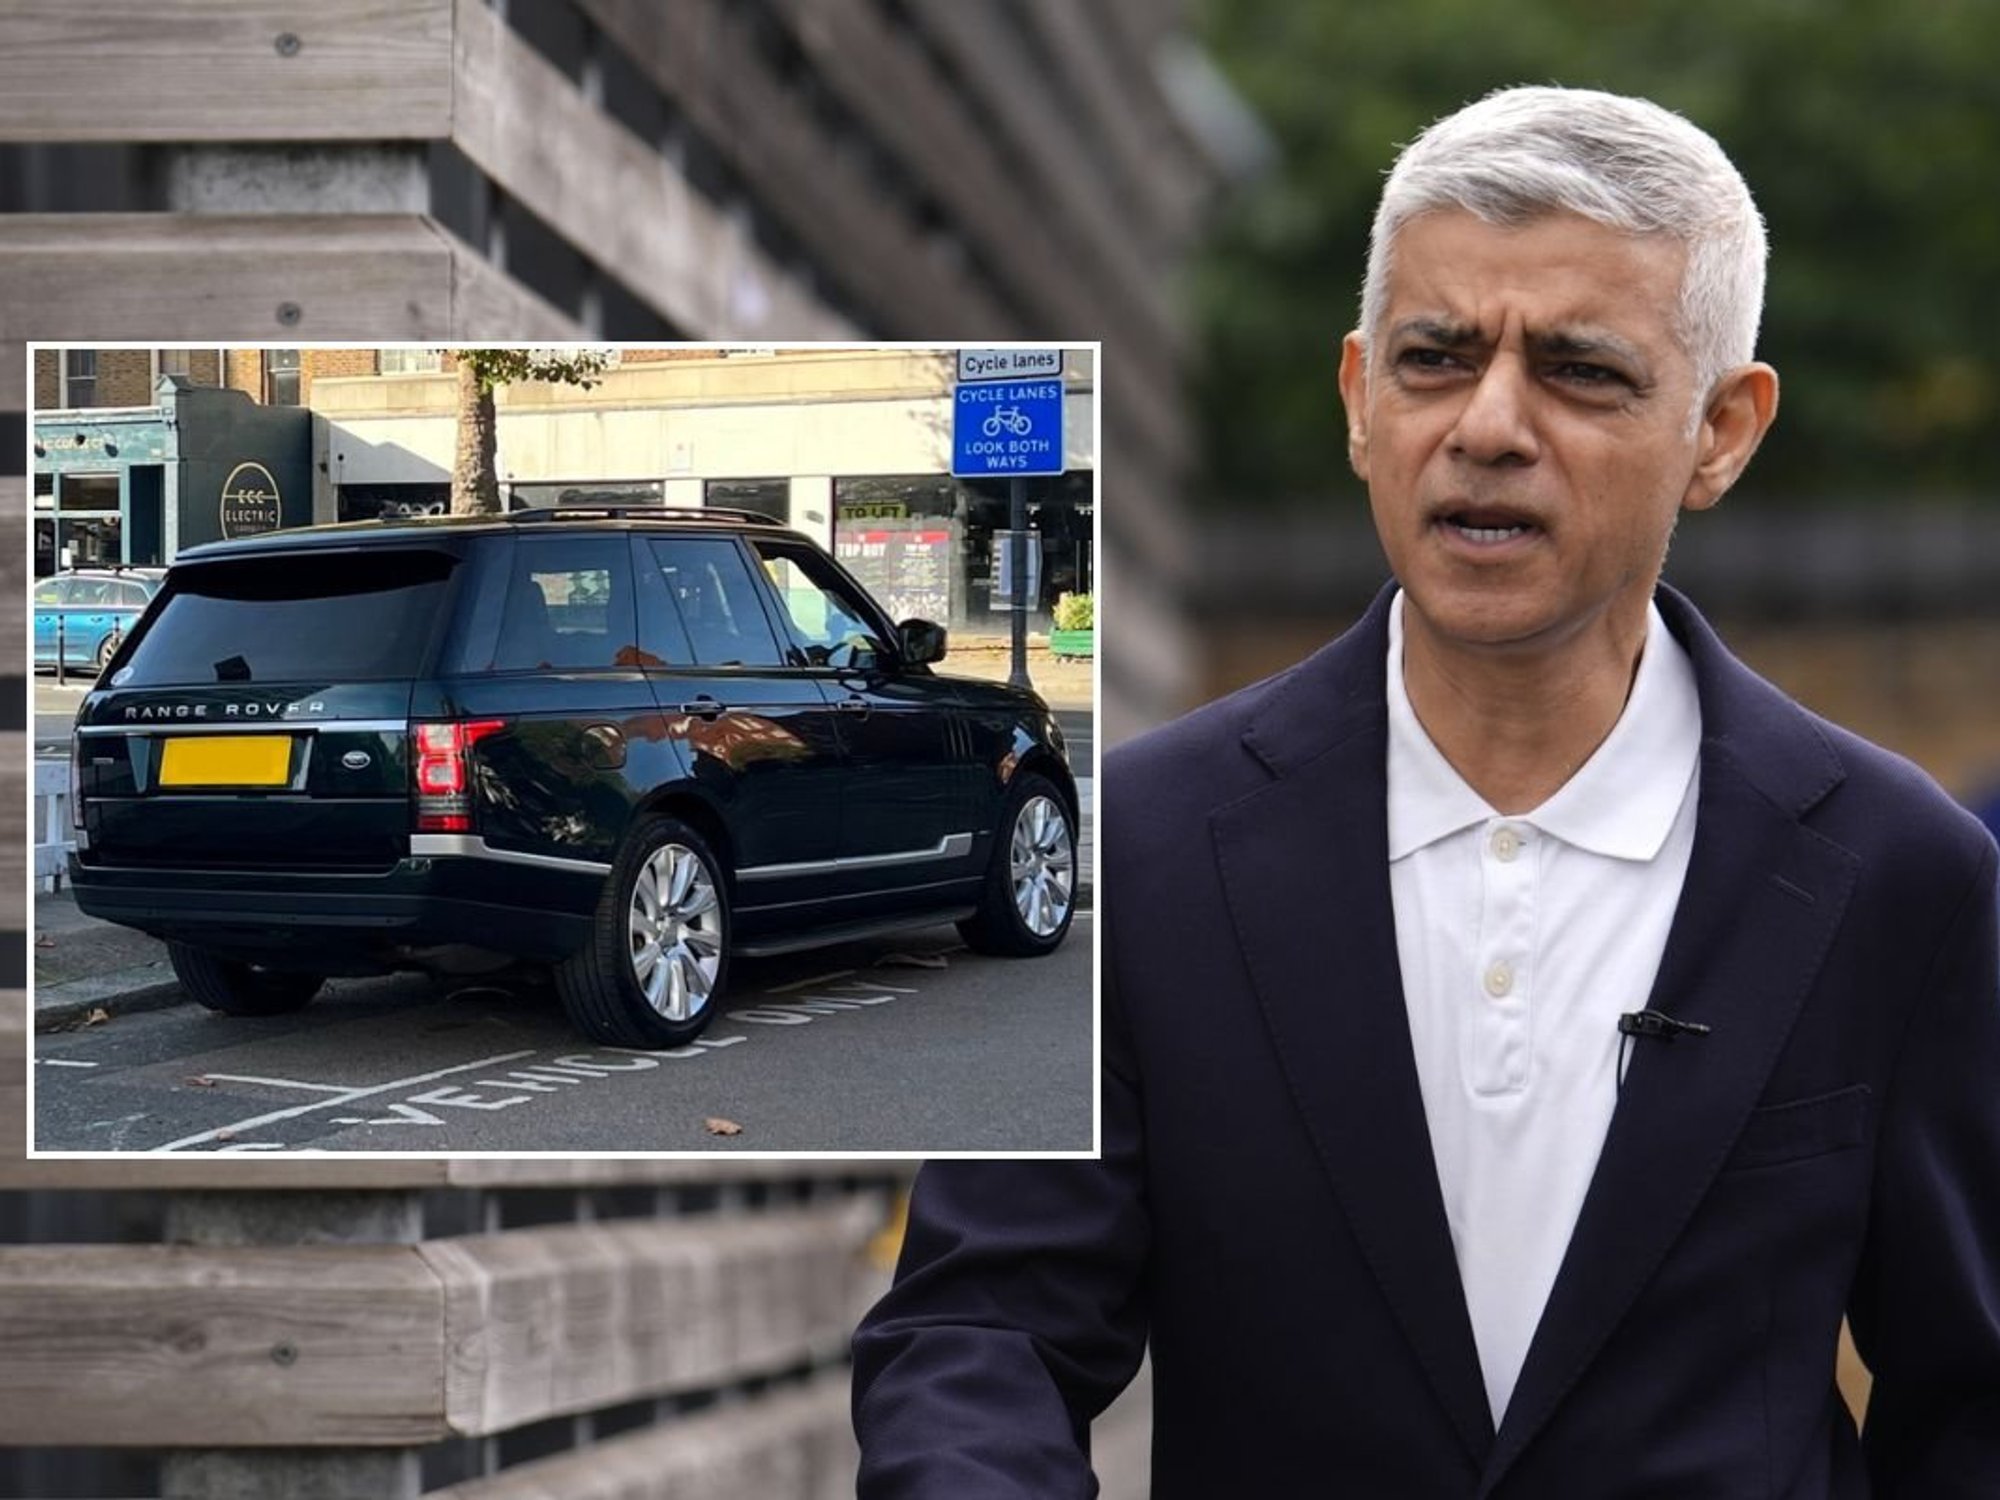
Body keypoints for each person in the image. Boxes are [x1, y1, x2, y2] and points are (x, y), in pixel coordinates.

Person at [850, 85, 2000, 1497]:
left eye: (1582, 371)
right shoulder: (1142, 854)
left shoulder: (1899, 873)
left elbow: (1972, 1398)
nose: (1491, 425)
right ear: (1358, 397)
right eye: (1437, 357)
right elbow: (983, 1334)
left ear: (1722, 430)